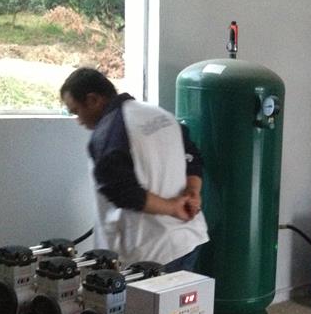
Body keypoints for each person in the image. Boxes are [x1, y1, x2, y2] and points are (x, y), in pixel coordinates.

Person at [60, 67, 208, 272]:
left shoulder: (108, 133)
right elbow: (193, 157)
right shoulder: (160, 115)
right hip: (188, 239)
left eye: (76, 111)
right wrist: (193, 192)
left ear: (93, 100)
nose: (79, 120)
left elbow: (123, 192)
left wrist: (174, 208)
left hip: (149, 253)